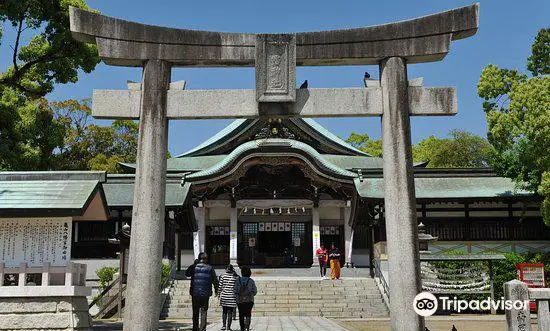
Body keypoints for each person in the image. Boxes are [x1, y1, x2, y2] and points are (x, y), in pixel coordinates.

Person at [185, 253, 219, 331]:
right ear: (206, 259)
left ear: (198, 258)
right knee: (204, 311)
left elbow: (187, 274)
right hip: (205, 293)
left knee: (195, 312)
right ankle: (203, 329)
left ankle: (195, 328)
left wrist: (193, 264)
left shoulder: (194, 267)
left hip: (195, 292)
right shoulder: (210, 268)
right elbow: (215, 280)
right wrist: (217, 290)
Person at [234, 266, 257, 331]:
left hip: (240, 300)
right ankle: (247, 327)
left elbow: (235, 290)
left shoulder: (237, 280)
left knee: (241, 314)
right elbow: (255, 291)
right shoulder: (251, 281)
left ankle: (242, 328)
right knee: (248, 314)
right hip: (249, 300)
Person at [218, 264, 239, 330]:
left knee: (224, 312)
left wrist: (218, 294)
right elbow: (237, 287)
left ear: (226, 269)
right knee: (230, 313)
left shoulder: (223, 276)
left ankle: (223, 326)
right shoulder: (235, 277)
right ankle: (228, 327)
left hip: (224, 296)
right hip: (232, 297)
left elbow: (220, 286)